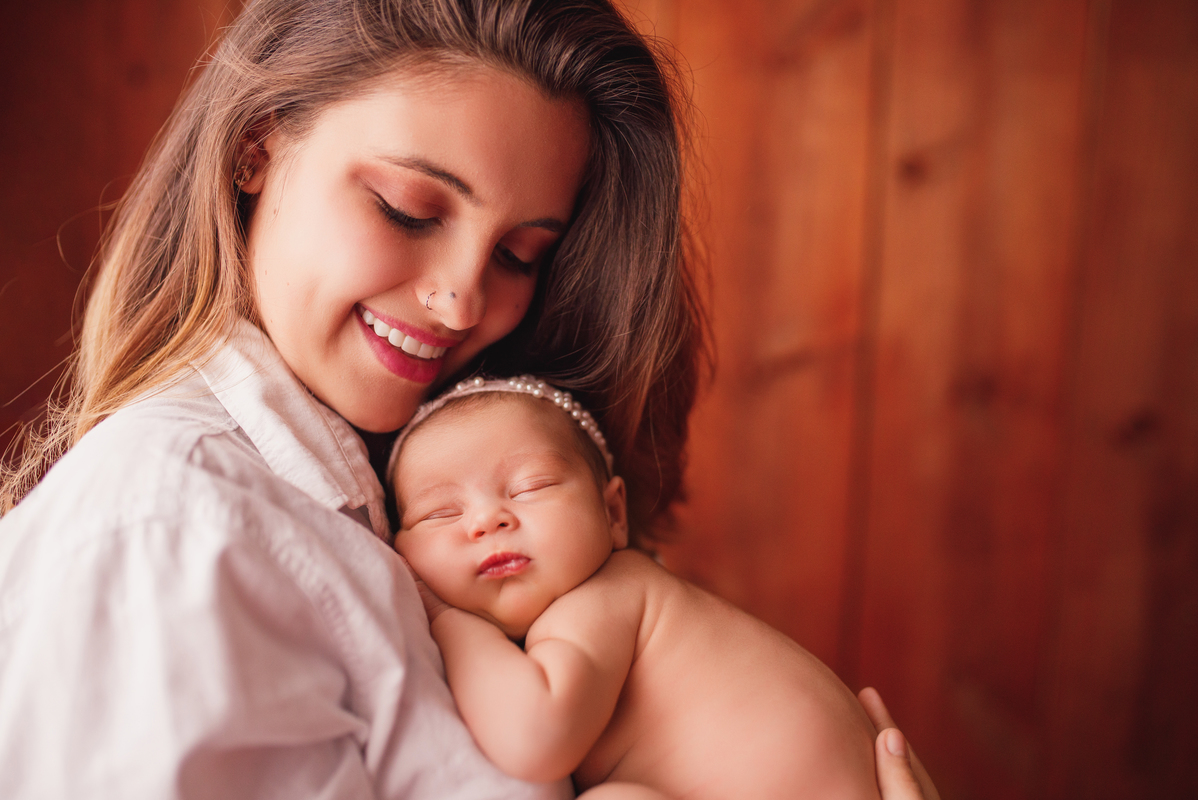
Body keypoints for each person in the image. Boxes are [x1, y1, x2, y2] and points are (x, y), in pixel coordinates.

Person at [0, 0, 937, 797]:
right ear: (256, 146)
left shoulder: (412, 515)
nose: (462, 299)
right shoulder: (172, 531)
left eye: (521, 255)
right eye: (408, 208)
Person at [390, 376, 882, 798]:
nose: (487, 520)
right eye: (441, 514)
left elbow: (532, 737)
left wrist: (447, 621)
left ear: (613, 514)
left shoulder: (610, 594)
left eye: (531, 487)